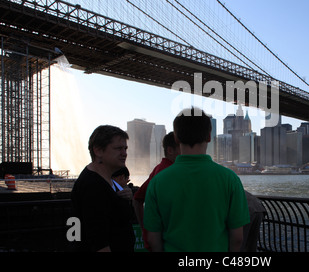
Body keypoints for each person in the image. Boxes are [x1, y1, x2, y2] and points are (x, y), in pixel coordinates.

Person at [144, 107, 250, 252]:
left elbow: (152, 238)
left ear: (176, 138)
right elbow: (237, 238)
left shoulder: (157, 182)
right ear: (208, 137)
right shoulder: (230, 179)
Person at [71, 125, 135, 252]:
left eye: (125, 148)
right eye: (118, 149)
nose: (124, 153)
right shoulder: (92, 187)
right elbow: (98, 242)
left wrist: (126, 197)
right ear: (98, 151)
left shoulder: (107, 181)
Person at [132, 131, 180, 251]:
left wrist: (144, 229)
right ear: (170, 150)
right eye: (183, 148)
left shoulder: (158, 169)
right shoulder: (168, 172)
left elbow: (137, 199)